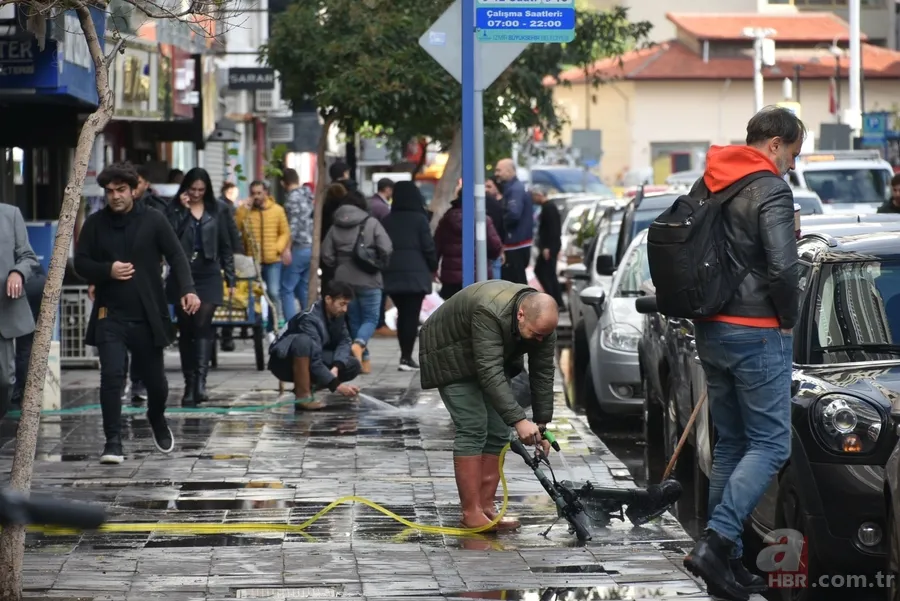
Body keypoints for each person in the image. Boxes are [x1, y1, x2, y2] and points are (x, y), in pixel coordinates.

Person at [682, 106, 804, 601]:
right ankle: (716, 544)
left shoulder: (708, 181)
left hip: (711, 328)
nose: (793, 165)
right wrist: (789, 317)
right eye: (792, 153)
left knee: (732, 444)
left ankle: (727, 566)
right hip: (757, 330)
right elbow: (781, 269)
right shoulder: (771, 188)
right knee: (773, 444)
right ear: (773, 143)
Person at [74, 162, 200, 465]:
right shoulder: (95, 224)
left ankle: (156, 417)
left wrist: (188, 289)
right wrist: (107, 270)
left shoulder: (153, 219)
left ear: (134, 190)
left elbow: (176, 256)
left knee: (156, 384)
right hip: (109, 313)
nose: (115, 196)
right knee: (111, 376)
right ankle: (113, 441)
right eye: (109, 191)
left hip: (147, 314)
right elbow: (80, 263)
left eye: (120, 190)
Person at [418, 281, 559, 530]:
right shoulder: (490, 311)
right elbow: (489, 371)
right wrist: (518, 419)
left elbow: (543, 373)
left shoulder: (543, 326)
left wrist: (541, 424)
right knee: (473, 426)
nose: (539, 340)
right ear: (520, 315)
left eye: (543, 336)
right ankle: (470, 512)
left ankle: (486, 508)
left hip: (489, 357)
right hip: (450, 353)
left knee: (497, 432)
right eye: (535, 334)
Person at [165, 168, 236, 405]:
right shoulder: (174, 209)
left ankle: (201, 382)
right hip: (183, 272)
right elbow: (169, 238)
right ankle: (189, 384)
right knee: (186, 328)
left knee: (202, 323)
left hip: (209, 271)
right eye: (192, 189)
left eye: (201, 190)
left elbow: (226, 244)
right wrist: (183, 212)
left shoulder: (219, 209)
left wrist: (231, 278)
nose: (196, 194)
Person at [321, 185, 393, 374]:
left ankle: (363, 361)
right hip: (369, 277)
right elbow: (386, 247)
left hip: (344, 279)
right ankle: (360, 344)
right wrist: (378, 260)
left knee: (353, 319)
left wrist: (340, 263)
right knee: (371, 318)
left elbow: (326, 255)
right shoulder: (371, 223)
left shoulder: (335, 226)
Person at [268, 281, 362, 410]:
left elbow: (345, 341)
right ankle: (303, 396)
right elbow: (314, 359)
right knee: (303, 341)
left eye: (347, 305)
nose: (345, 309)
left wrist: (336, 367)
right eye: (342, 304)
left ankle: (308, 387)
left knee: (352, 364)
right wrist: (337, 385)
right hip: (284, 362)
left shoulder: (337, 314)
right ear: (328, 299)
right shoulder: (309, 319)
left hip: (311, 358)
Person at [381, 181, 438, 371]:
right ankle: (406, 357)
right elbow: (429, 247)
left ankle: (404, 356)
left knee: (402, 313)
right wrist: (433, 266)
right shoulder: (420, 219)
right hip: (416, 274)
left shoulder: (387, 220)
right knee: (411, 316)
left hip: (392, 273)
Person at [0, 203, 40, 422]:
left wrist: (17, 273)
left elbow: (28, 257)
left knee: (5, 380)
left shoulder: (10, 214)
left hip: (3, 310)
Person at [235, 180, 290, 331]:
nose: (256, 196)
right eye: (253, 193)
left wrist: (278, 248)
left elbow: (285, 232)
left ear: (266, 192)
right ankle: (255, 324)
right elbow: (236, 227)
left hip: (273, 259)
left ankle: (273, 325)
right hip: (253, 259)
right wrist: (242, 210)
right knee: (253, 294)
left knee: (273, 292)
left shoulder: (277, 210)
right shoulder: (246, 211)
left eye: (259, 193)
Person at [434, 180, 502, 300]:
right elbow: (495, 246)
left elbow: (436, 246)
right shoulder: (483, 219)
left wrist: (434, 268)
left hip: (451, 278)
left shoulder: (446, 220)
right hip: (478, 277)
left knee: (454, 314)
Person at [280, 168, 314, 320]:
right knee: (303, 288)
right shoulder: (308, 195)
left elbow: (292, 226)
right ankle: (309, 320)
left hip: (298, 247)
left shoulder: (292, 199)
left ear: (283, 183)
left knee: (286, 288)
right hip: (311, 246)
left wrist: (287, 248)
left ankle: (291, 325)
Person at [11, 261, 46, 408]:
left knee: (24, 345)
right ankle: (27, 394)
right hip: (37, 283)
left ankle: (20, 393)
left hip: (23, 287)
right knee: (27, 344)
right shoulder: (24, 252)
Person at [494, 158, 533, 284]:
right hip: (517, 243)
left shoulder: (515, 190)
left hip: (515, 244)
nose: (496, 174)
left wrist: (499, 225)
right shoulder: (514, 188)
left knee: (515, 283)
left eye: (499, 170)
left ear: (510, 171)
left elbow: (513, 214)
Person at [217, 181, 244, 352]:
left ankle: (226, 336)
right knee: (228, 292)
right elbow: (233, 232)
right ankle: (227, 335)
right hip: (223, 254)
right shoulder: (225, 208)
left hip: (222, 254)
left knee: (227, 292)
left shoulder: (224, 207)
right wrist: (238, 251)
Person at [532, 186, 563, 308]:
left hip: (549, 247)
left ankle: (554, 299)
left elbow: (552, 229)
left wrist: (547, 247)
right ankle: (555, 299)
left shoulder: (549, 208)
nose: (533, 199)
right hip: (549, 246)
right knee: (545, 272)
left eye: (534, 196)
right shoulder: (547, 207)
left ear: (539, 195)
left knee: (547, 273)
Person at [484, 177, 506, 279]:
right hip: (493, 251)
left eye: (489, 186)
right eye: (485, 186)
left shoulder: (496, 205)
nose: (486, 189)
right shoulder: (495, 204)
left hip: (492, 250)